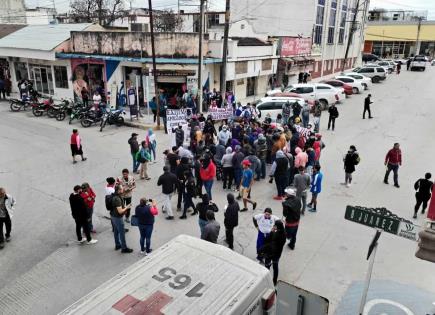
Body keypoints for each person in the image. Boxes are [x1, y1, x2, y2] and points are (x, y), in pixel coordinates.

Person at [260, 220, 286, 286]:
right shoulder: (284, 234)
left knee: (267, 266)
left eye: (275, 225)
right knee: (275, 267)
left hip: (270, 253)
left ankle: (267, 280)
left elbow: (267, 240)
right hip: (277, 254)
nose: (274, 226)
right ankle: (274, 281)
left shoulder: (275, 234)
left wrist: (271, 232)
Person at [110, 185, 133, 253]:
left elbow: (124, 192)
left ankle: (117, 245)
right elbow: (120, 211)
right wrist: (127, 207)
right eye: (122, 189)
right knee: (122, 233)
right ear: (119, 190)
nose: (123, 189)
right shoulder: (117, 199)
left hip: (113, 216)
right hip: (117, 218)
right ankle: (124, 248)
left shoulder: (114, 195)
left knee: (116, 232)